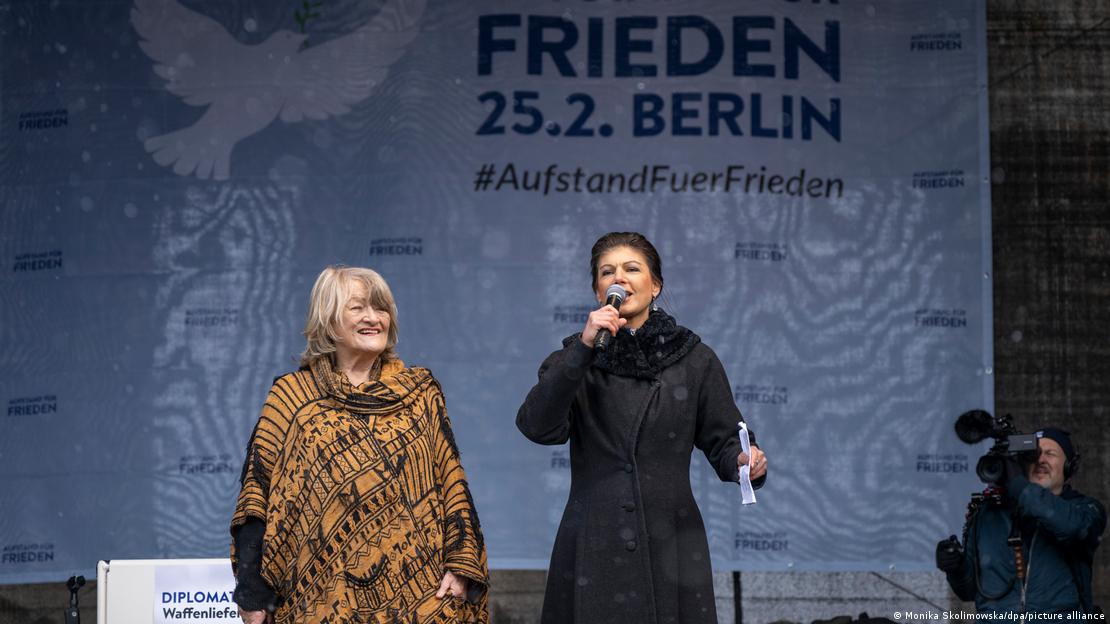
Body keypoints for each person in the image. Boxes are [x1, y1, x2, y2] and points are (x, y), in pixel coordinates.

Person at [516, 231, 768, 624]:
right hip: (595, 535)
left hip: (670, 536)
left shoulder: (694, 359)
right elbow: (537, 426)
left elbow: (723, 438)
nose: (620, 278)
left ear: (655, 285)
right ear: (599, 291)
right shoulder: (574, 358)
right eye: (607, 272)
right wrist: (582, 350)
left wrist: (743, 460)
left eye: (632, 269)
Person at [230, 266, 489, 624]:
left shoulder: (420, 392)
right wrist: (252, 593)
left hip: (422, 600)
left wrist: (462, 566)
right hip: (322, 600)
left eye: (381, 308)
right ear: (328, 319)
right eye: (358, 308)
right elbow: (257, 498)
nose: (373, 318)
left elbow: (452, 484)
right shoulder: (292, 398)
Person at [936, 427, 1106, 617]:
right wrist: (956, 568)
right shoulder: (987, 512)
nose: (1041, 460)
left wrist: (1018, 485)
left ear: (1069, 466)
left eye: (1050, 454)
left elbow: (1073, 528)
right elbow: (968, 592)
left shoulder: (1086, 509)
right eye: (1034, 454)